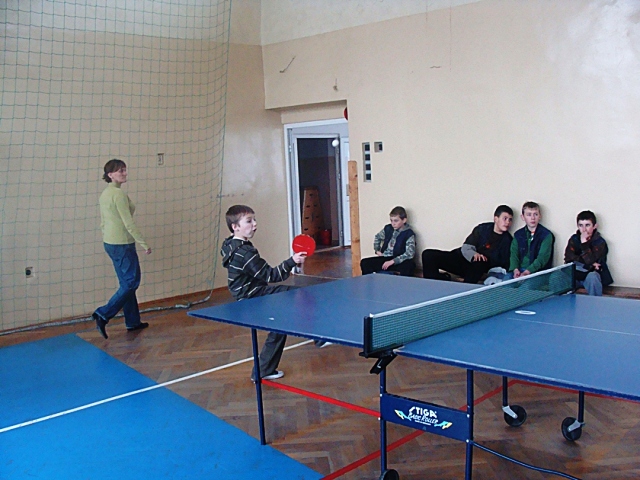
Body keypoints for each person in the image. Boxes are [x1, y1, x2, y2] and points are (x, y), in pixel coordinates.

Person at [221, 205, 307, 382]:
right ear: (235, 227)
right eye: (249, 221)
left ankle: (263, 371)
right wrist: (292, 261)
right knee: (298, 294)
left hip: (243, 295)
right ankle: (320, 338)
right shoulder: (245, 252)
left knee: (280, 324)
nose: (255, 224)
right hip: (252, 296)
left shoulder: (229, 245)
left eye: (254, 220)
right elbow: (271, 275)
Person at [93, 159, 151, 339]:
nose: (124, 173)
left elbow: (104, 222)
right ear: (110, 175)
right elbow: (128, 223)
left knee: (127, 283)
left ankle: (133, 321)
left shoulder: (106, 194)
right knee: (131, 282)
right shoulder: (117, 195)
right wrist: (143, 243)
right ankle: (103, 314)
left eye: (125, 170)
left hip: (111, 243)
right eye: (120, 171)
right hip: (122, 244)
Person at [421, 205, 514, 284]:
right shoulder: (482, 229)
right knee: (428, 254)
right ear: (496, 219)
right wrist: (474, 254)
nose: (507, 222)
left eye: (510, 220)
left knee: (480, 263)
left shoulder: (508, 240)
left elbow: (503, 265)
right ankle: (434, 284)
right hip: (462, 259)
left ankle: (464, 290)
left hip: (477, 269)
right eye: (505, 219)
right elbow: (466, 247)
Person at [564, 210, 613, 296]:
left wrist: (584, 244)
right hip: (575, 273)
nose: (584, 229)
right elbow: (568, 258)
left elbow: (591, 260)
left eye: (587, 225)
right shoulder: (574, 239)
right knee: (557, 277)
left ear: (594, 226)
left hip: (591, 275)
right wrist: (590, 264)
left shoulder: (600, 242)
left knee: (593, 277)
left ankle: (594, 303)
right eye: (581, 225)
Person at [359, 206, 416, 276]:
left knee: (409, 265)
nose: (393, 223)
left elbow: (410, 253)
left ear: (404, 220)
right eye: (391, 220)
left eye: (396, 221)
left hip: (398, 259)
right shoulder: (388, 228)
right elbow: (378, 237)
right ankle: (369, 281)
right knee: (365, 263)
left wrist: (393, 261)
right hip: (386, 257)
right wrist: (377, 250)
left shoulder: (409, 233)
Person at [507, 201, 554, 279]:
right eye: (529, 215)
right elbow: (514, 255)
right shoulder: (518, 234)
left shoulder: (546, 235)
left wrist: (527, 272)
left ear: (540, 216)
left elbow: (542, 258)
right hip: (519, 270)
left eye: (535, 214)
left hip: (537, 272)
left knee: (526, 286)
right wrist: (515, 270)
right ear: (523, 217)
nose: (532, 218)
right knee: (505, 282)